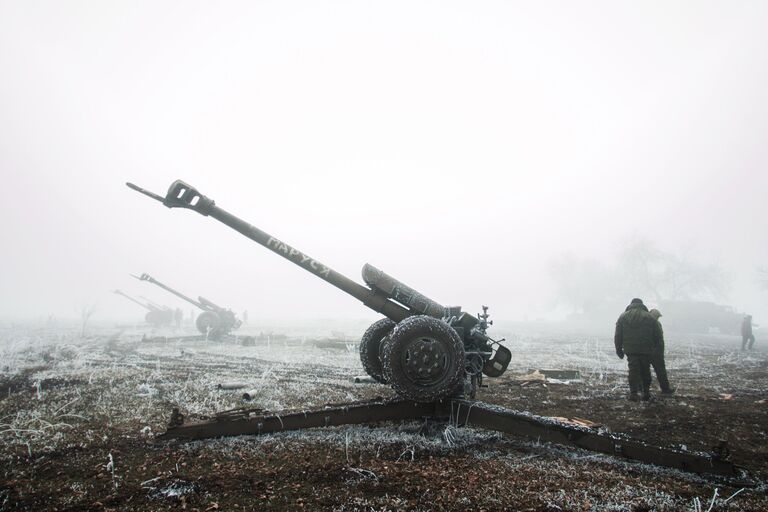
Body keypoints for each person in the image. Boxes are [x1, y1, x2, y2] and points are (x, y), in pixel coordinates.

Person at [614, 298, 663, 401]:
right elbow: (658, 336)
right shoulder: (650, 317)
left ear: (631, 304)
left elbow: (618, 335)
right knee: (646, 370)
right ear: (642, 305)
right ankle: (646, 392)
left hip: (630, 350)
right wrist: (656, 350)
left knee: (633, 370)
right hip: (646, 349)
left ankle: (634, 393)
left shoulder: (623, 317)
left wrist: (619, 350)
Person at [648, 309, 674, 395]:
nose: (657, 318)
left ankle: (644, 389)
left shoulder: (648, 323)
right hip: (655, 352)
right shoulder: (654, 324)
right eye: (657, 316)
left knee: (645, 372)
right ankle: (665, 389)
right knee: (660, 372)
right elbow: (658, 340)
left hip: (650, 351)